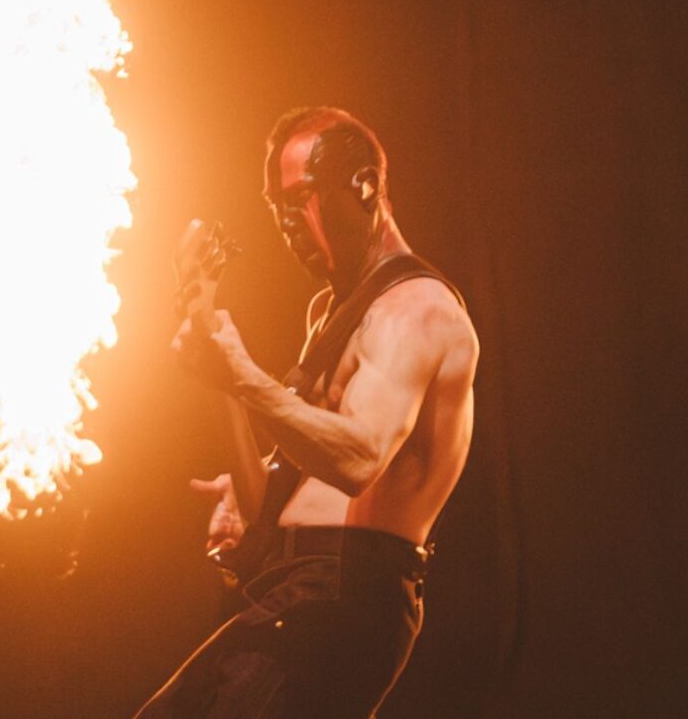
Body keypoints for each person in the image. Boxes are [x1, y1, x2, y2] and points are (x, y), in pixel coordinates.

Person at [140, 108, 479, 718]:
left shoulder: (418, 308)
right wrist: (220, 383)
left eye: (301, 199)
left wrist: (242, 374)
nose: (287, 223)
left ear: (365, 187)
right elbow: (271, 500)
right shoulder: (329, 312)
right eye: (276, 208)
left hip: (348, 593)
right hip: (295, 586)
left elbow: (359, 459)